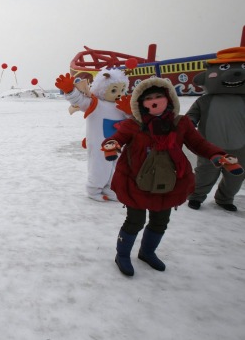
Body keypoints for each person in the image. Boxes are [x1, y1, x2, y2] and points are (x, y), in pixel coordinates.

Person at [101, 77, 242, 277]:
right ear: (141, 103)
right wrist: (111, 145)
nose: (154, 101)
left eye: (159, 96)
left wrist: (218, 155)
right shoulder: (133, 123)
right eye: (149, 98)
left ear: (169, 99)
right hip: (135, 181)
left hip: (168, 181)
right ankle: (122, 255)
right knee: (135, 221)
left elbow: (199, 144)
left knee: (160, 221)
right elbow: (118, 138)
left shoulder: (180, 123)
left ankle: (147, 252)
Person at [55, 68, 131, 201]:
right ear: (102, 89)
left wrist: (130, 111)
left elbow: (132, 122)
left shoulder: (121, 105)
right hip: (99, 144)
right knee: (100, 166)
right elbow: (79, 100)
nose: (119, 94)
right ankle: (93, 189)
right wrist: (70, 91)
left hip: (117, 144)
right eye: (114, 90)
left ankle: (110, 188)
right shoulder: (96, 104)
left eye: (122, 90)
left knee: (117, 166)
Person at [186, 47, 245, 212]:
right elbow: (191, 116)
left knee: (236, 176)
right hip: (209, 146)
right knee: (205, 173)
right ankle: (196, 196)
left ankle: (225, 198)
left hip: (241, 148)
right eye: (224, 68)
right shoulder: (205, 101)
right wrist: (189, 124)